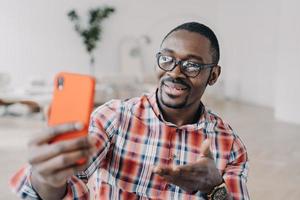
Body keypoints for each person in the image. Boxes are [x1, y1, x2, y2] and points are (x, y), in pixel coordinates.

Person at [10, 22, 249, 200]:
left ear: (214, 75)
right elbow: (67, 182)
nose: (175, 73)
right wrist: (46, 178)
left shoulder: (229, 145)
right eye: (167, 59)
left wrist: (215, 187)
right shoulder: (114, 117)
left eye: (192, 65)